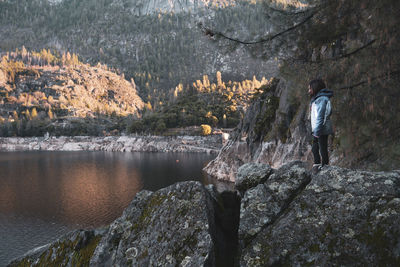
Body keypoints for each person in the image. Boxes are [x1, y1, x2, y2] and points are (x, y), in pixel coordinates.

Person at [308, 79, 334, 169]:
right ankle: (317, 165)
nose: (309, 91)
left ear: (315, 88)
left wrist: (317, 131)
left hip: (321, 129)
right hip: (317, 129)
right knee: (315, 148)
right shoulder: (317, 99)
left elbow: (321, 116)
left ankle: (325, 167)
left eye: (310, 88)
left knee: (322, 148)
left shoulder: (322, 99)